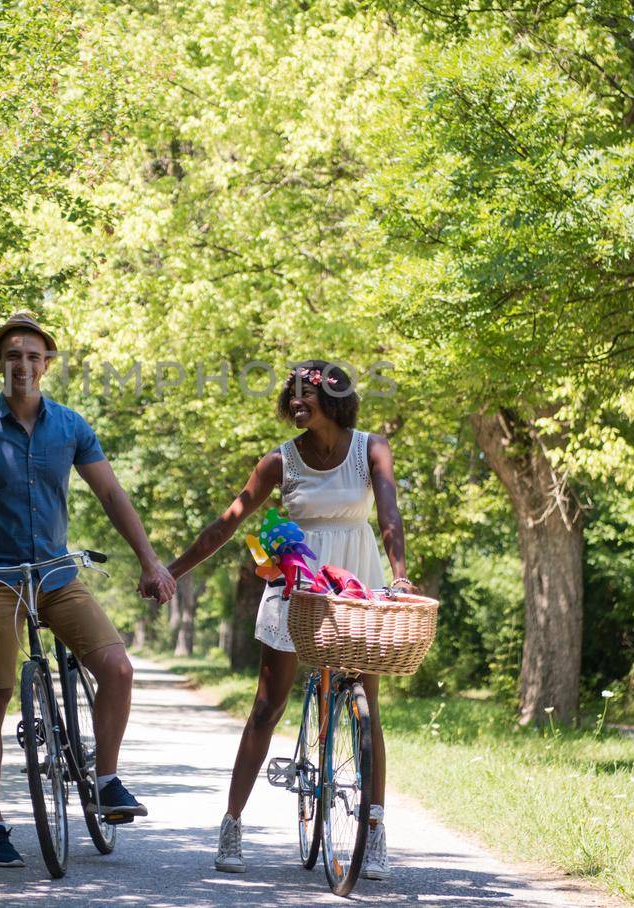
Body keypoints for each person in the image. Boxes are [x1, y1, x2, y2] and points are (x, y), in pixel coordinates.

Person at [0, 311, 177, 867]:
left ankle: (106, 778)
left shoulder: (71, 426)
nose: (24, 365)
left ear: (48, 365)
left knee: (118, 668)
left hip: (58, 575)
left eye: (34, 356)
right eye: (13, 355)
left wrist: (151, 562)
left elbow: (111, 495)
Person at [166, 360, 412, 880]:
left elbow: (389, 513)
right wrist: (169, 572)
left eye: (309, 394)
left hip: (356, 577)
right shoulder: (279, 461)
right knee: (266, 705)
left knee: (367, 703)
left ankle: (375, 826)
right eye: (292, 394)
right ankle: (232, 822)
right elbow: (226, 525)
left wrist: (400, 576)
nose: (297, 402)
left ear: (335, 398)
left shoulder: (372, 448)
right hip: (297, 579)